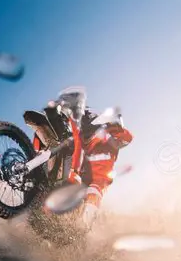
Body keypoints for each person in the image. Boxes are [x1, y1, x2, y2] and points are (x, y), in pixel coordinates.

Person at [53, 86, 133, 230]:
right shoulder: (81, 127)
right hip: (82, 161)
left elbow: (127, 137)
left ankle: (83, 226)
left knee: (94, 188)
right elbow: (77, 140)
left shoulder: (106, 137)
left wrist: (112, 128)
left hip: (97, 171)